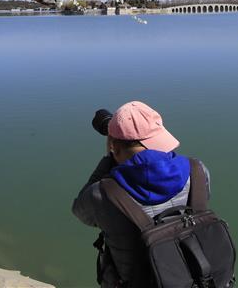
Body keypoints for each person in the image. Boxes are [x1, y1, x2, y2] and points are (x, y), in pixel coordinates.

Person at [72, 101, 211, 287]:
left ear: (114, 146)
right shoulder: (198, 171)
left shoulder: (102, 194)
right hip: (197, 279)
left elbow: (80, 211)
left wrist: (108, 160)